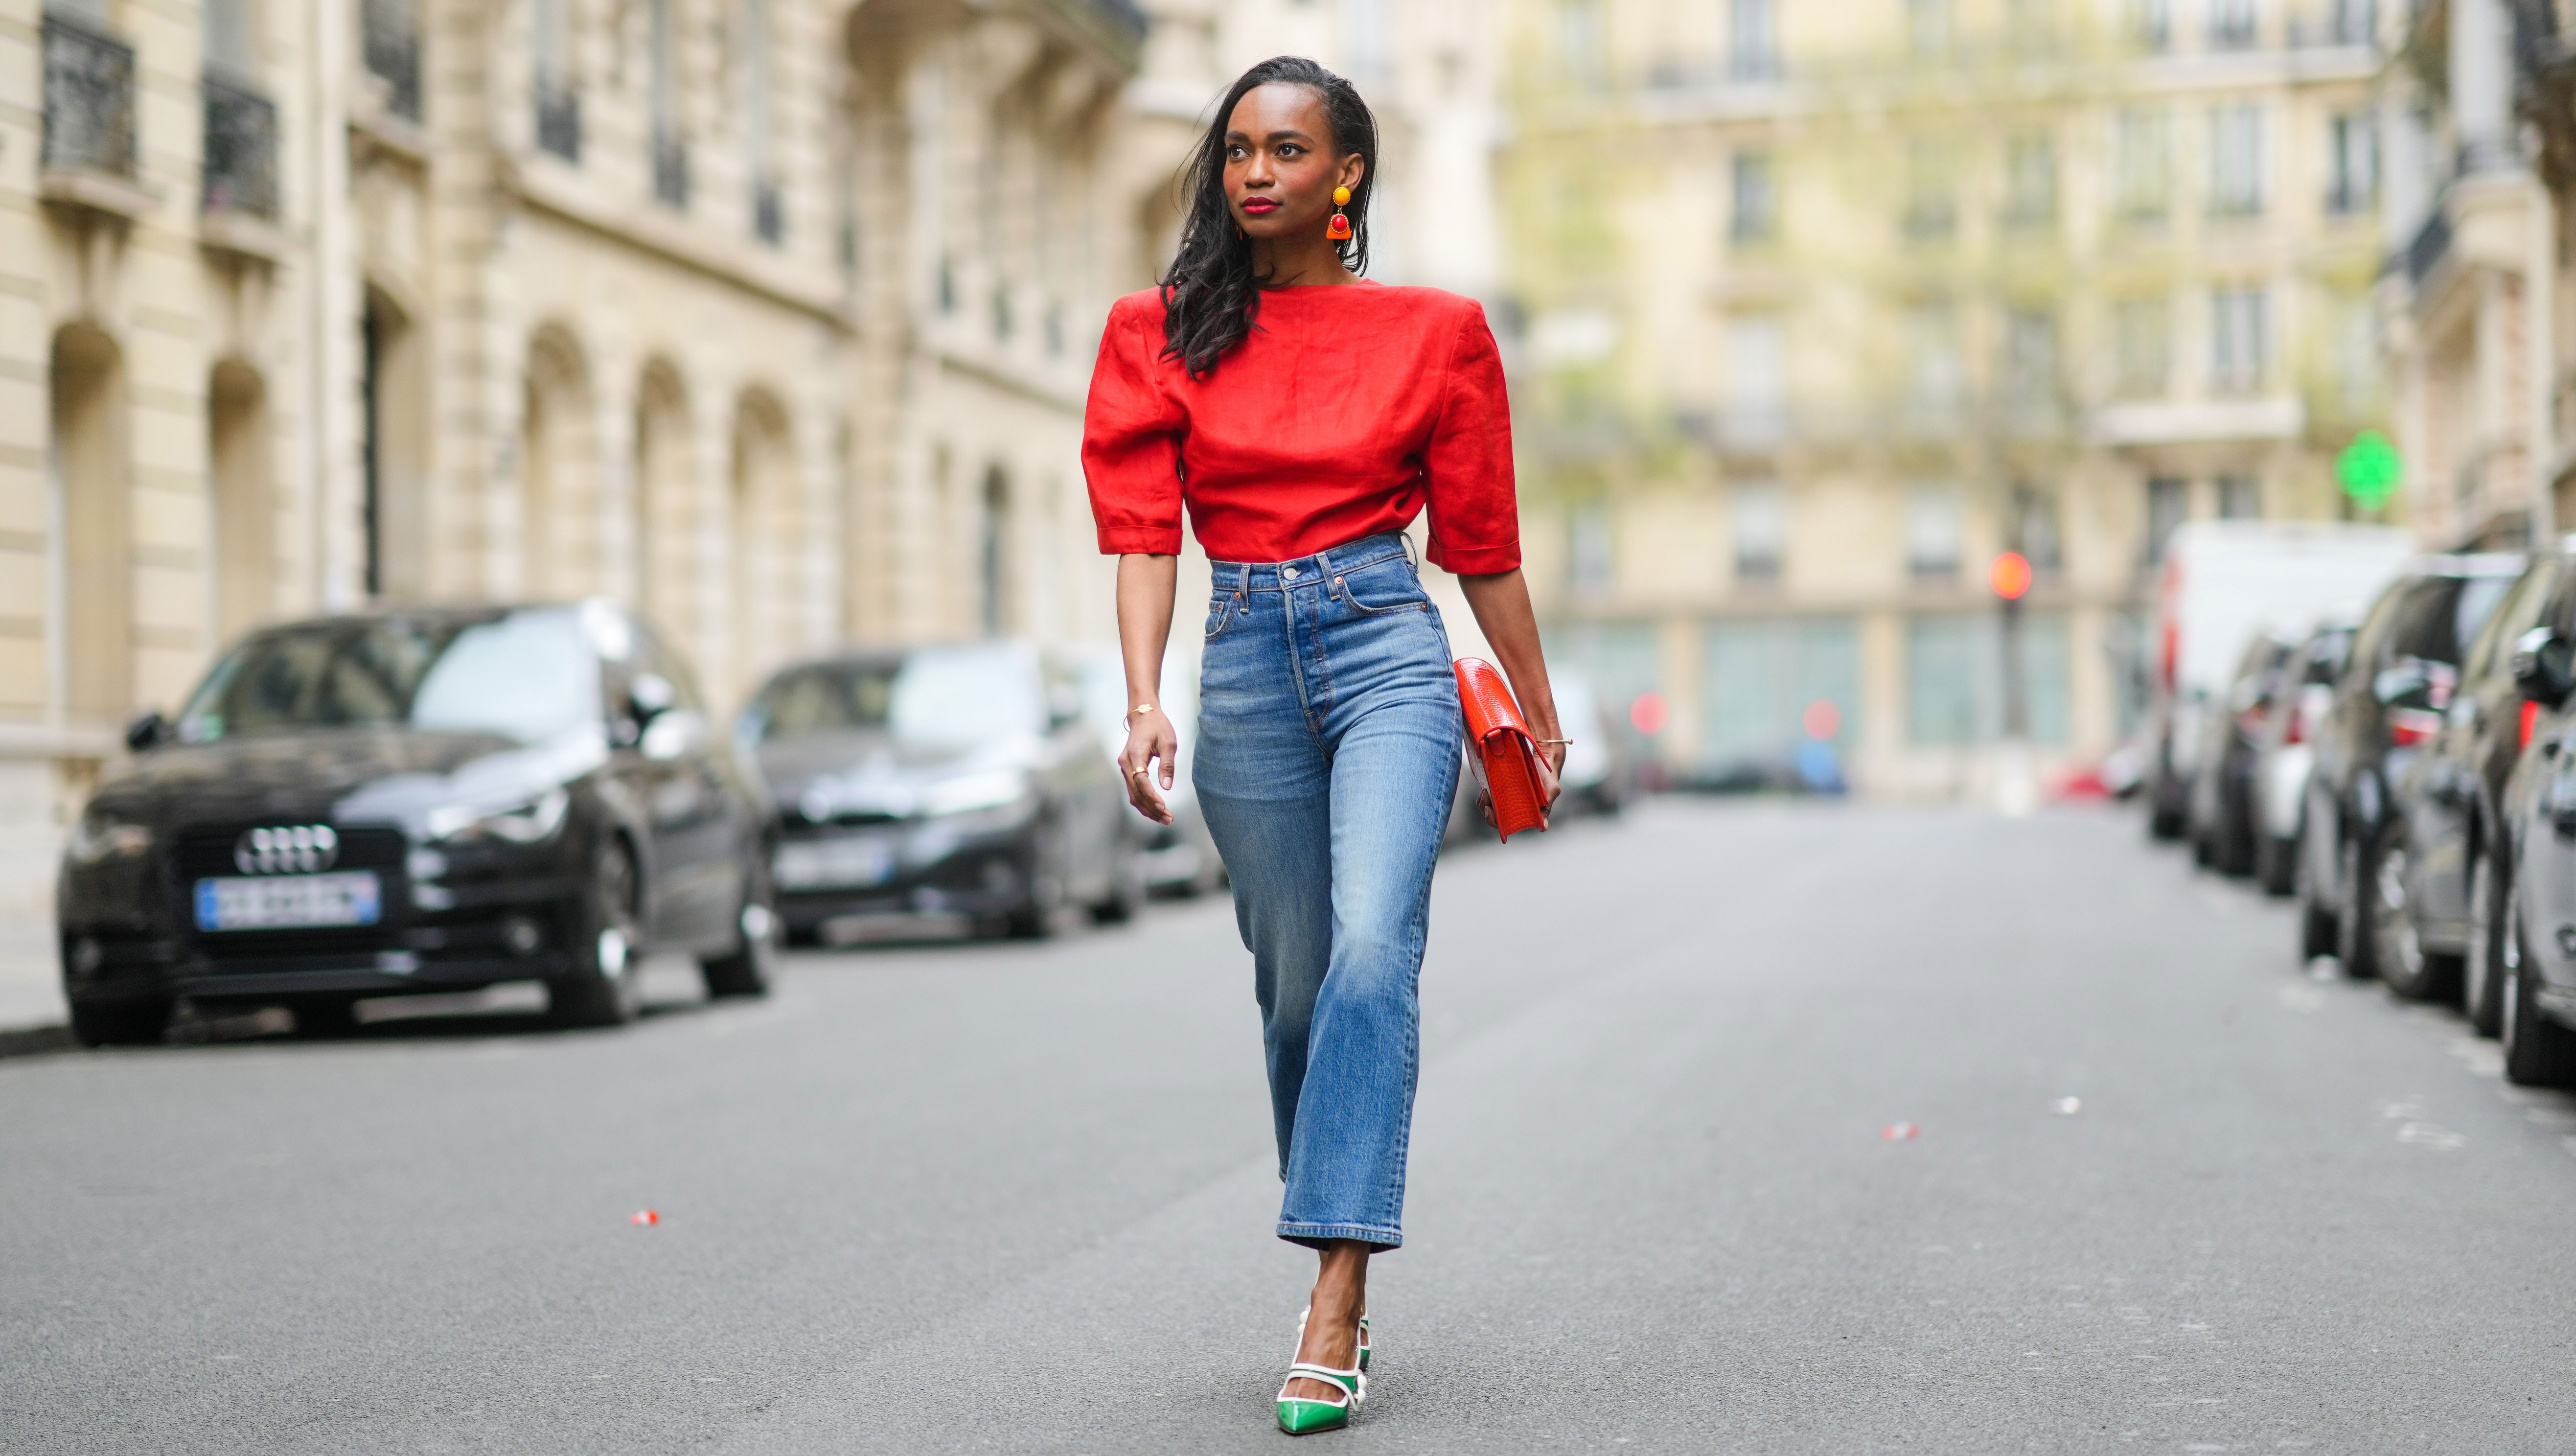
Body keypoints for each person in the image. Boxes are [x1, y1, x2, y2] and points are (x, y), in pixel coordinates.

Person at [1081, 55, 1567, 1436]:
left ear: (1346, 175)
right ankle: (1342, 1240)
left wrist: (1535, 700)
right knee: (1297, 995)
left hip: (1383, 652)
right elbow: (1138, 533)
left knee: (1372, 953)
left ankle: (1335, 1303)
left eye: (1286, 149)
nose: (1254, 172)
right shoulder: (1160, 333)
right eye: (1237, 148)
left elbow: (1482, 548)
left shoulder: (1438, 333)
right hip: (1240, 662)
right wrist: (1144, 697)